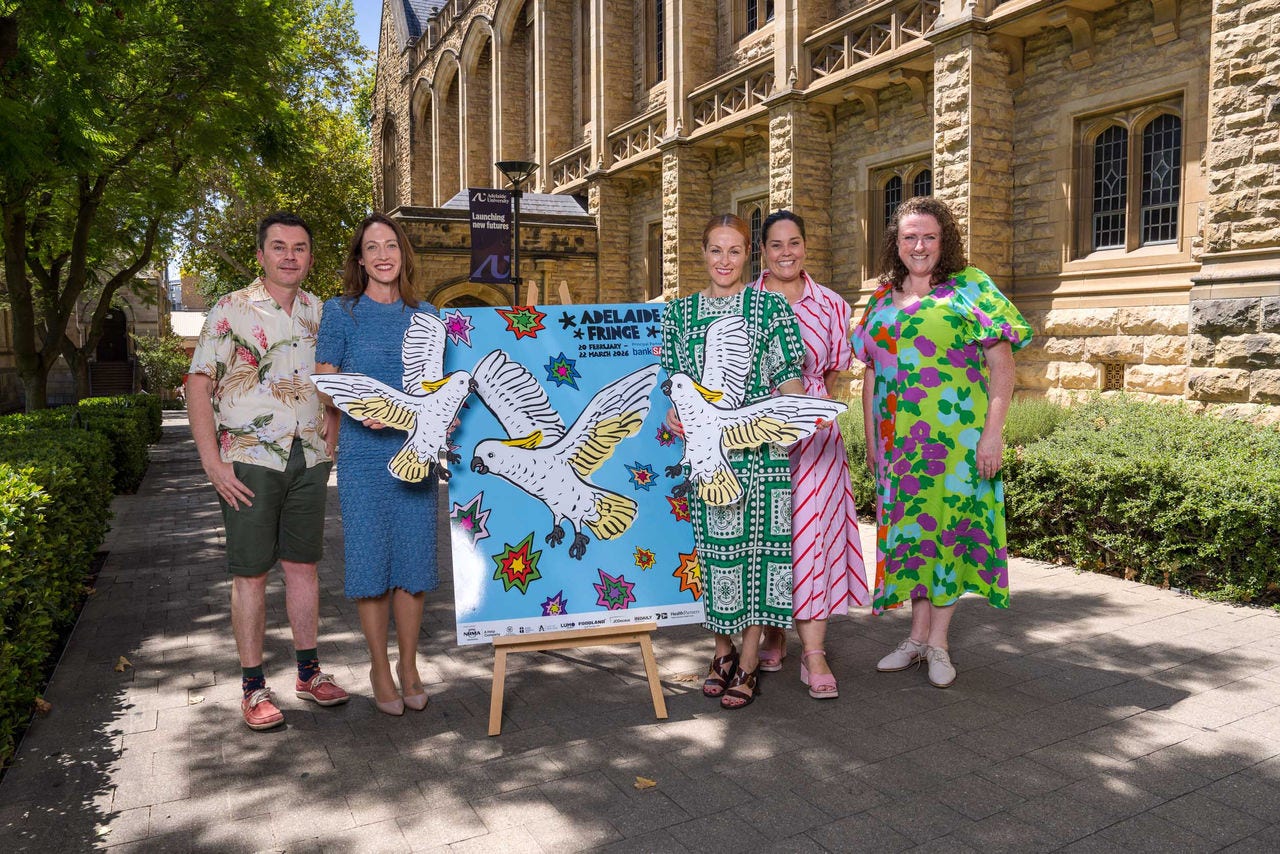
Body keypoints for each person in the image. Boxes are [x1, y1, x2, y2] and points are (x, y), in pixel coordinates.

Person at [852, 196, 1032, 688]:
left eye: (929, 236)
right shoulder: (881, 298)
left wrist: (992, 435)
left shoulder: (971, 287)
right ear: (896, 242)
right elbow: (871, 373)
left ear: (943, 239)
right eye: (909, 237)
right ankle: (914, 638)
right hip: (899, 445)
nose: (919, 246)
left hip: (957, 443)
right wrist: (872, 440)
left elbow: (1002, 366)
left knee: (949, 534)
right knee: (912, 537)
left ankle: (938, 643)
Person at [187, 211, 349, 731]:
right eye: (279, 247)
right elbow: (198, 383)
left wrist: (333, 424)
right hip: (250, 460)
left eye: (299, 248)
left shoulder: (321, 313)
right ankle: (253, 686)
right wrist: (212, 462)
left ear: (310, 257)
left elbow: (335, 380)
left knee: (303, 568)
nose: (289, 256)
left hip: (308, 457)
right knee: (251, 573)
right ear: (261, 255)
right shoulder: (231, 309)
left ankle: (308, 673)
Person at [661, 213, 808, 710]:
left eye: (735, 251)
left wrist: (797, 411)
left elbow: (788, 378)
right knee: (717, 556)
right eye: (715, 250)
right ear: (702, 253)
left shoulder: (769, 308)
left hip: (762, 453)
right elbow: (673, 384)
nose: (724, 261)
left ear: (750, 255)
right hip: (709, 457)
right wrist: (674, 415)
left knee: (761, 556)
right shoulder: (678, 315)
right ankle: (720, 651)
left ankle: (747, 662)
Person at [315, 213, 439, 716]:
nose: (383, 255)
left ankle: (409, 666)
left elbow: (437, 384)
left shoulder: (428, 314)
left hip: (415, 452)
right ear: (360, 259)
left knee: (414, 562)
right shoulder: (340, 311)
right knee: (371, 563)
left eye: (391, 245)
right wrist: (357, 407)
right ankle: (379, 668)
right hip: (365, 457)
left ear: (403, 254)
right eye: (372, 247)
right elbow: (325, 382)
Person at [748, 210, 867, 699]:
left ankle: (814, 652)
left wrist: (809, 409)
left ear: (805, 246)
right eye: (776, 244)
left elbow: (832, 371)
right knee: (769, 536)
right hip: (757, 434)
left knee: (812, 537)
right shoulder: (744, 302)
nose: (786, 253)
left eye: (794, 242)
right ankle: (774, 633)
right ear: (762, 251)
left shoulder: (832, 305)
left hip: (815, 437)